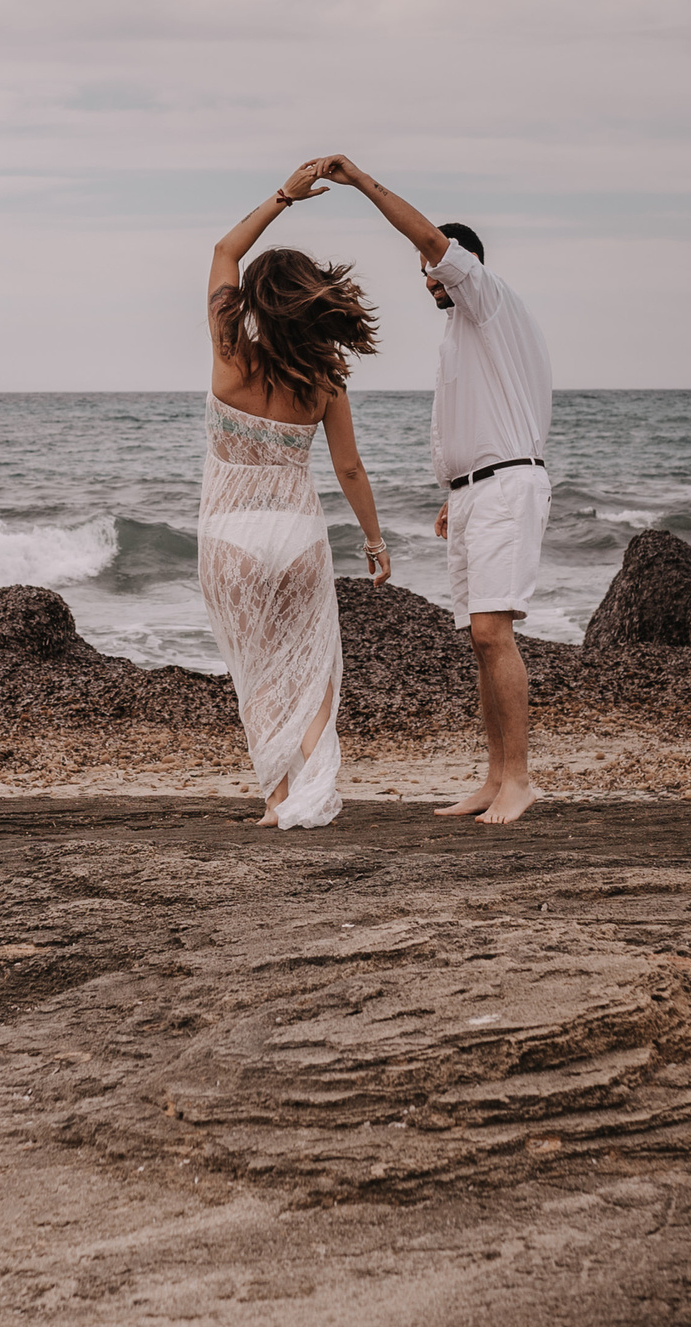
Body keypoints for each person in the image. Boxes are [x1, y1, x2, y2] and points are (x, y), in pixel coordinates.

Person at [318, 154, 554, 825]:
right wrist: (456, 490)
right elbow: (482, 415)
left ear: (462, 263)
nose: (428, 278)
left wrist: (362, 182)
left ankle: (521, 780)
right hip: (481, 489)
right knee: (480, 640)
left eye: (435, 267)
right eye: (425, 275)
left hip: (508, 487)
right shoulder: (466, 330)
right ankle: (494, 778)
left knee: (491, 631)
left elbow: (429, 240)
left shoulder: (487, 296)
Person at [202, 158, 393, 829]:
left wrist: (285, 195)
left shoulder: (231, 357)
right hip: (299, 535)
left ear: (254, 302)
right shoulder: (326, 377)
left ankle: (280, 800)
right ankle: (314, 788)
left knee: (257, 669)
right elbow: (349, 470)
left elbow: (226, 248)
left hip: (230, 536)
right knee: (310, 668)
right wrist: (374, 541)